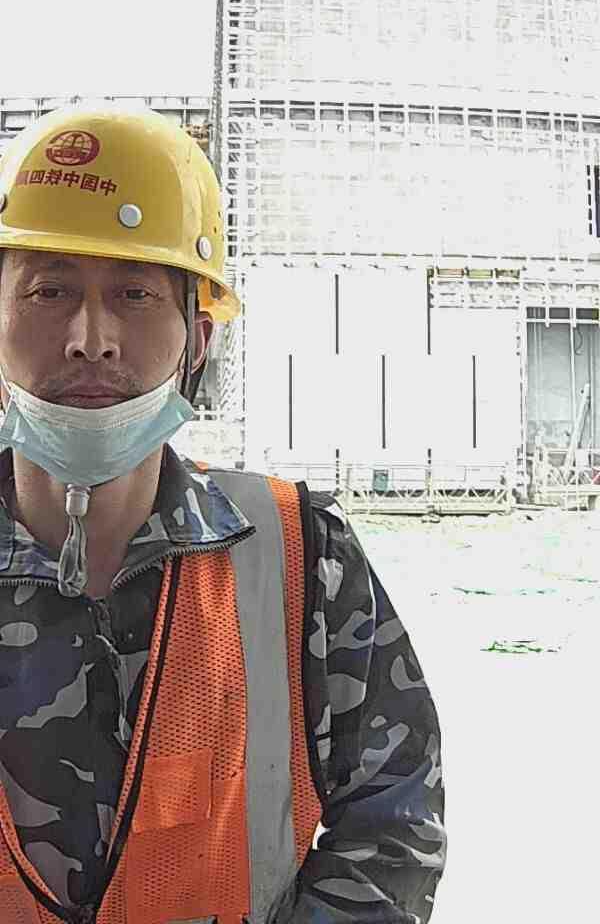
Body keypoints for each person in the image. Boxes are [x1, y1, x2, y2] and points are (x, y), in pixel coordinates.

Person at [0, 106, 446, 924]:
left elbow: (392, 822)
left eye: (135, 294)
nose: (90, 338)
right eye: (49, 290)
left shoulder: (302, 557)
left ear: (197, 343)